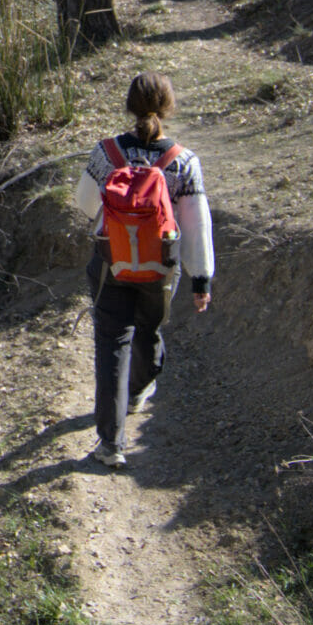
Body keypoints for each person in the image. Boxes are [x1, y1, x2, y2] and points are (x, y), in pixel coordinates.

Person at [72, 72, 215, 468]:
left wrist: (118, 220)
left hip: (110, 263)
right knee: (148, 333)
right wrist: (201, 278)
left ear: (129, 106)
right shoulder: (184, 162)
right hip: (160, 270)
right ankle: (136, 392)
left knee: (111, 344)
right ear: (169, 107)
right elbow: (196, 224)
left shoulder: (105, 153)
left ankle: (110, 445)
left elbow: (85, 203)